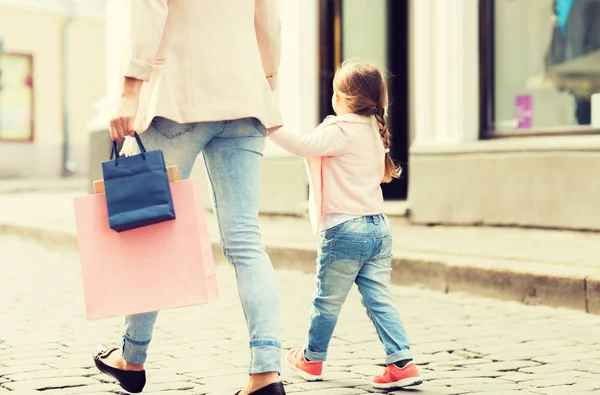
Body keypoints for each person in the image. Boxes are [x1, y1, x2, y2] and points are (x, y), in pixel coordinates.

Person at [92, 1, 286, 394]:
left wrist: (130, 91)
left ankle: (132, 357)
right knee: (246, 242)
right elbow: (268, 21)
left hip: (179, 97)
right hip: (245, 98)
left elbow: (147, 13)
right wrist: (264, 75)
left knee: (150, 231)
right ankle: (266, 374)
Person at [269, 60, 422, 390]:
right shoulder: (373, 130)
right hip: (379, 228)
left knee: (326, 301)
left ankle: (311, 359)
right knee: (380, 299)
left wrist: (270, 126)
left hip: (345, 229)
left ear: (340, 98)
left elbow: (302, 146)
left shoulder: (339, 130)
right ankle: (402, 363)